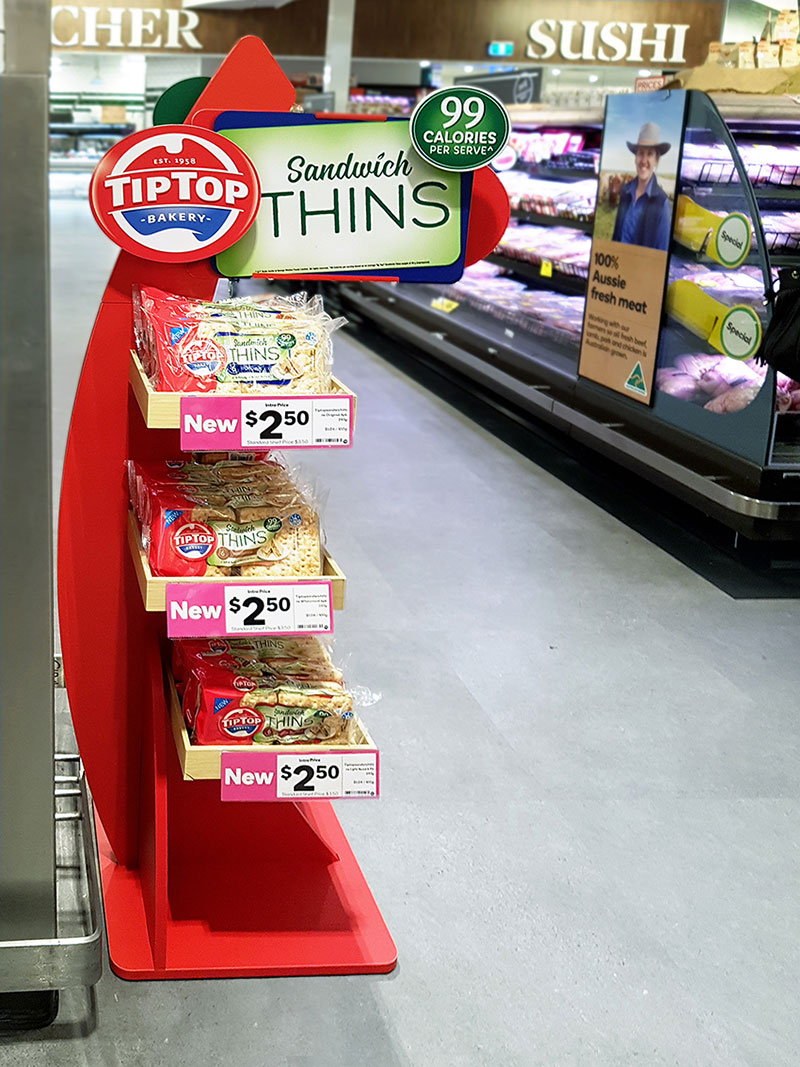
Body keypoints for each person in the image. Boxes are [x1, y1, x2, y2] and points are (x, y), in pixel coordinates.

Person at [611, 122, 672, 251]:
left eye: (649, 154)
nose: (643, 161)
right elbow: (616, 237)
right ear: (635, 158)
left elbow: (661, 253)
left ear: (656, 161)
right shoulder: (625, 192)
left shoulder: (661, 203)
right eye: (640, 153)